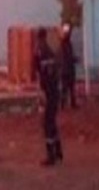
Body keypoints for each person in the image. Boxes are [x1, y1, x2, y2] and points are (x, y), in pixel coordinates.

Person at [34, 27, 63, 166]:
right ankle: (58, 151)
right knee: (51, 121)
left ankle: (51, 155)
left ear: (39, 38)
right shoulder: (51, 52)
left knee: (47, 123)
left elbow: (41, 76)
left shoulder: (40, 53)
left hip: (49, 92)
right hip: (55, 92)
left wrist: (42, 93)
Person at [59, 23, 78, 109]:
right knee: (66, 88)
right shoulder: (65, 44)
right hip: (67, 69)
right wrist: (74, 60)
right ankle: (64, 104)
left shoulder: (66, 43)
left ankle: (68, 104)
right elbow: (67, 56)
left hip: (66, 69)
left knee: (69, 88)